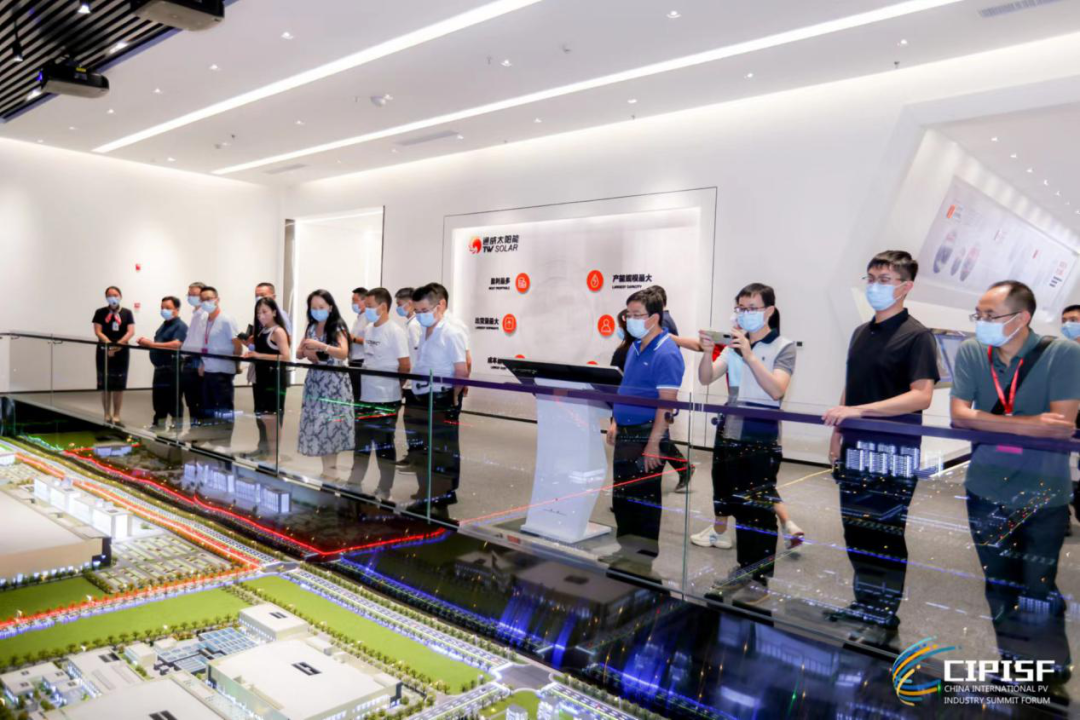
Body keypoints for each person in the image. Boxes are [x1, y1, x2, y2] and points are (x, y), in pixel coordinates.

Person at [949, 281, 1080, 682]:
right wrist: (1029, 423)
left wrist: (987, 421)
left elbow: (1061, 427)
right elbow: (958, 417)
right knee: (999, 584)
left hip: (1044, 492)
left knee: (1038, 586)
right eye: (979, 315)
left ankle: (1049, 668)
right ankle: (1012, 662)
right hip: (986, 489)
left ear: (1021, 318)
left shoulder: (1063, 354)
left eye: (991, 315)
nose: (981, 322)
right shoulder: (972, 351)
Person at [823, 250, 939, 645]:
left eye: (885, 279)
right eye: (871, 278)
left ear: (906, 286)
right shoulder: (860, 332)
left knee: (885, 533)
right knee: (856, 530)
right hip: (855, 446)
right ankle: (865, 602)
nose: (875, 286)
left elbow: (921, 395)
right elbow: (851, 386)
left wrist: (859, 411)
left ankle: (884, 614)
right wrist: (839, 429)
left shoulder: (917, 336)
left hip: (894, 452)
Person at [691, 286, 803, 597]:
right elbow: (706, 377)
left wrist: (750, 355)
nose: (744, 313)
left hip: (760, 435)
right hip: (729, 431)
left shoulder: (783, 346)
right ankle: (744, 568)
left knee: (759, 509)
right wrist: (707, 351)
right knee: (737, 504)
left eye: (751, 308)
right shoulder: (733, 346)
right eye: (740, 307)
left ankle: (760, 579)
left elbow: (777, 389)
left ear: (769, 311)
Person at [605, 287, 686, 578]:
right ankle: (626, 551)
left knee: (644, 501)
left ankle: (642, 562)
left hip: (647, 435)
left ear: (654, 318)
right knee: (623, 497)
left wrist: (654, 444)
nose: (630, 320)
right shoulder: (635, 347)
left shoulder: (667, 352)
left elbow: (667, 404)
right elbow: (627, 389)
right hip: (626, 433)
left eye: (637, 315)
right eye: (628, 314)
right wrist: (615, 421)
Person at [405, 283, 469, 510]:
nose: (420, 315)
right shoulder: (425, 330)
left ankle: (437, 496)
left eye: (424, 310)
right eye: (417, 311)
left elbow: (461, 370)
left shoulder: (451, 332)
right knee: (424, 448)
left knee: (441, 449)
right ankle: (432, 493)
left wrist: (454, 398)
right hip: (421, 395)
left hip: (440, 397)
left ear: (439, 306)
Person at [347, 288, 411, 499]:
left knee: (384, 444)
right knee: (362, 443)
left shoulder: (395, 331)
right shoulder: (368, 329)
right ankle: (354, 482)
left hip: (386, 398)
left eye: (370, 306)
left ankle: (385, 487)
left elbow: (405, 365)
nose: (366, 309)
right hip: (366, 395)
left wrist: (396, 386)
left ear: (383, 307)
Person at [297, 289, 354, 478]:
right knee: (319, 426)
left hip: (334, 383)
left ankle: (332, 470)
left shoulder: (337, 326)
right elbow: (299, 351)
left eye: (321, 307)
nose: (317, 311)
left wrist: (322, 347)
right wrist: (306, 352)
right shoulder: (311, 327)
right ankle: (326, 469)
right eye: (313, 307)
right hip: (316, 381)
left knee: (332, 425)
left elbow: (343, 353)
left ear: (330, 307)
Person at [181, 287, 241, 446]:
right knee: (208, 407)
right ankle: (212, 440)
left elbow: (237, 345)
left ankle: (224, 443)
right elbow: (205, 344)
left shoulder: (226, 319)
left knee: (223, 408)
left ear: (217, 299)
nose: (205, 302)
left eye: (209, 298)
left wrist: (235, 365)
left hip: (223, 371)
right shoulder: (206, 320)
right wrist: (203, 363)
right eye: (203, 299)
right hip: (208, 370)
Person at [242, 297, 291, 460]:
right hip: (261, 378)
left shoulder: (278, 332)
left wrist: (259, 355)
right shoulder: (262, 331)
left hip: (273, 379)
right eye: (258, 313)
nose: (261, 316)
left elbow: (285, 356)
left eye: (264, 312)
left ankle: (274, 455)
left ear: (274, 312)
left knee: (272, 419)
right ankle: (269, 452)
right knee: (264, 417)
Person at [136, 296, 188, 430]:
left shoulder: (180, 326)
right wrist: (146, 343)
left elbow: (177, 344)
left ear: (176, 309)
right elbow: (159, 343)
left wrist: (151, 344)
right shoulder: (164, 325)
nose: (164, 310)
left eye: (168, 308)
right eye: (162, 308)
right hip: (160, 369)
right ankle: (158, 424)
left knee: (173, 399)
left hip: (172, 369)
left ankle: (176, 427)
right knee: (159, 399)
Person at [91, 286, 135, 426]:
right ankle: (106, 413)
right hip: (104, 349)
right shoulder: (100, 312)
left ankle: (116, 414)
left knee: (118, 385)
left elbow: (131, 331)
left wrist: (119, 345)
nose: (113, 297)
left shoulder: (127, 312)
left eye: (115, 294)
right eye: (109, 295)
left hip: (122, 351)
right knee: (105, 384)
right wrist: (109, 344)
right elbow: (98, 331)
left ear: (120, 296)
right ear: (106, 297)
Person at [393, 286, 423, 474]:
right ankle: (413, 455)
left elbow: (418, 354)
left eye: (400, 304)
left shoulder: (414, 325)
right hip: (412, 381)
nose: (398, 308)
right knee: (411, 421)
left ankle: (417, 458)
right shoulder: (412, 323)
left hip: (415, 381)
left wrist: (406, 378)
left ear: (410, 303)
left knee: (414, 422)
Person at [181, 281, 207, 425]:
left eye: (195, 294)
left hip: (197, 362)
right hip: (189, 361)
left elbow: (205, 341)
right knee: (191, 400)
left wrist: (203, 362)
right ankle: (194, 427)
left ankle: (199, 429)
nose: (191, 297)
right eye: (189, 294)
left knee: (198, 400)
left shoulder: (204, 315)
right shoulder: (195, 314)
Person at [1064, 303, 1080, 521]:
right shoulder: (1062, 354)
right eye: (1064, 321)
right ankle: (1062, 514)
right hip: (1065, 416)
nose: (1068, 325)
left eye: (1073, 320)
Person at [348, 287, 370, 448]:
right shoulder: (358, 318)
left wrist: (353, 339)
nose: (353, 303)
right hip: (353, 361)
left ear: (364, 300)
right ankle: (357, 436)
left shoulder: (369, 318)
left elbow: (369, 341)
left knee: (360, 399)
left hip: (361, 361)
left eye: (355, 300)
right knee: (355, 399)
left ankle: (362, 438)